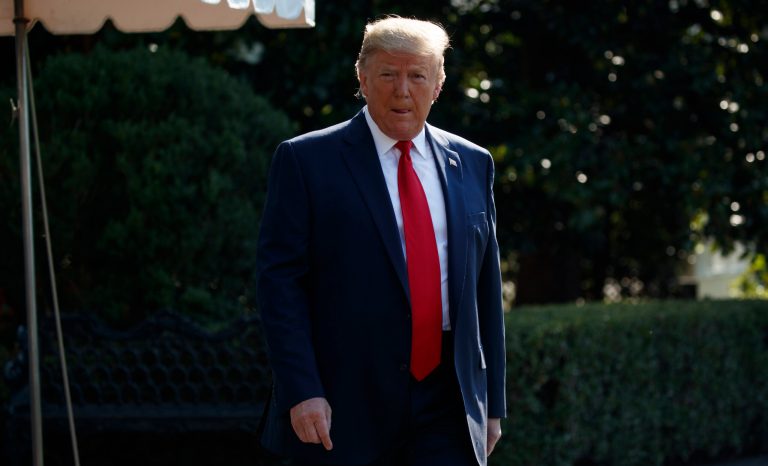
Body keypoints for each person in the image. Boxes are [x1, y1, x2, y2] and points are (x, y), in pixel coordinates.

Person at [256, 16, 506, 466]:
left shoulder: (473, 163)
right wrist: (303, 389)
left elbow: (485, 290)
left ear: (438, 83)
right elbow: (280, 285)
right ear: (362, 78)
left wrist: (491, 404)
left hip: (447, 401)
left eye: (417, 75)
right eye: (388, 74)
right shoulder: (306, 160)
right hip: (343, 398)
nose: (402, 90)